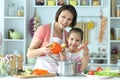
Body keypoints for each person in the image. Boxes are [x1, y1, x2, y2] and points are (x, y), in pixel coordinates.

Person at [27, 4, 77, 73]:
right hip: (40, 73)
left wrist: (63, 57)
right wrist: (42, 50)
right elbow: (29, 53)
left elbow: (64, 60)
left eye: (69, 19)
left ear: (72, 21)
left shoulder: (67, 35)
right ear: (58, 15)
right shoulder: (43, 29)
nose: (65, 21)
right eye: (63, 17)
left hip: (57, 74)